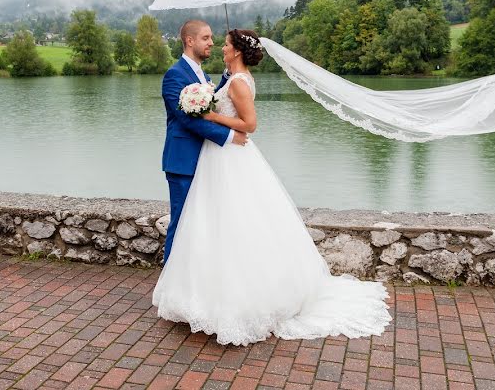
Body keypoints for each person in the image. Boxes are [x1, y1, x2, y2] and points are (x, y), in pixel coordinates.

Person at [153, 28, 391, 346]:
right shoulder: (200, 75)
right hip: (207, 157)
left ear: (237, 51)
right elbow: (193, 116)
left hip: (226, 158)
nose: (217, 46)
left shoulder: (234, 80)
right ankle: (190, 289)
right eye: (210, 40)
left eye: (222, 43)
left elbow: (248, 123)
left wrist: (215, 115)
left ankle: (226, 294)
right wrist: (218, 101)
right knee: (203, 225)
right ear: (190, 41)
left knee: (228, 223)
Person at [160, 20, 248, 263]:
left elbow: (208, 105)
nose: (212, 42)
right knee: (181, 224)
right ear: (190, 41)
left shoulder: (202, 74)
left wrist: (226, 79)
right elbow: (187, 119)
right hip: (183, 161)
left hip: (207, 160)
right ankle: (169, 287)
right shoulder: (174, 75)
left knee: (202, 226)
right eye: (206, 38)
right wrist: (230, 136)